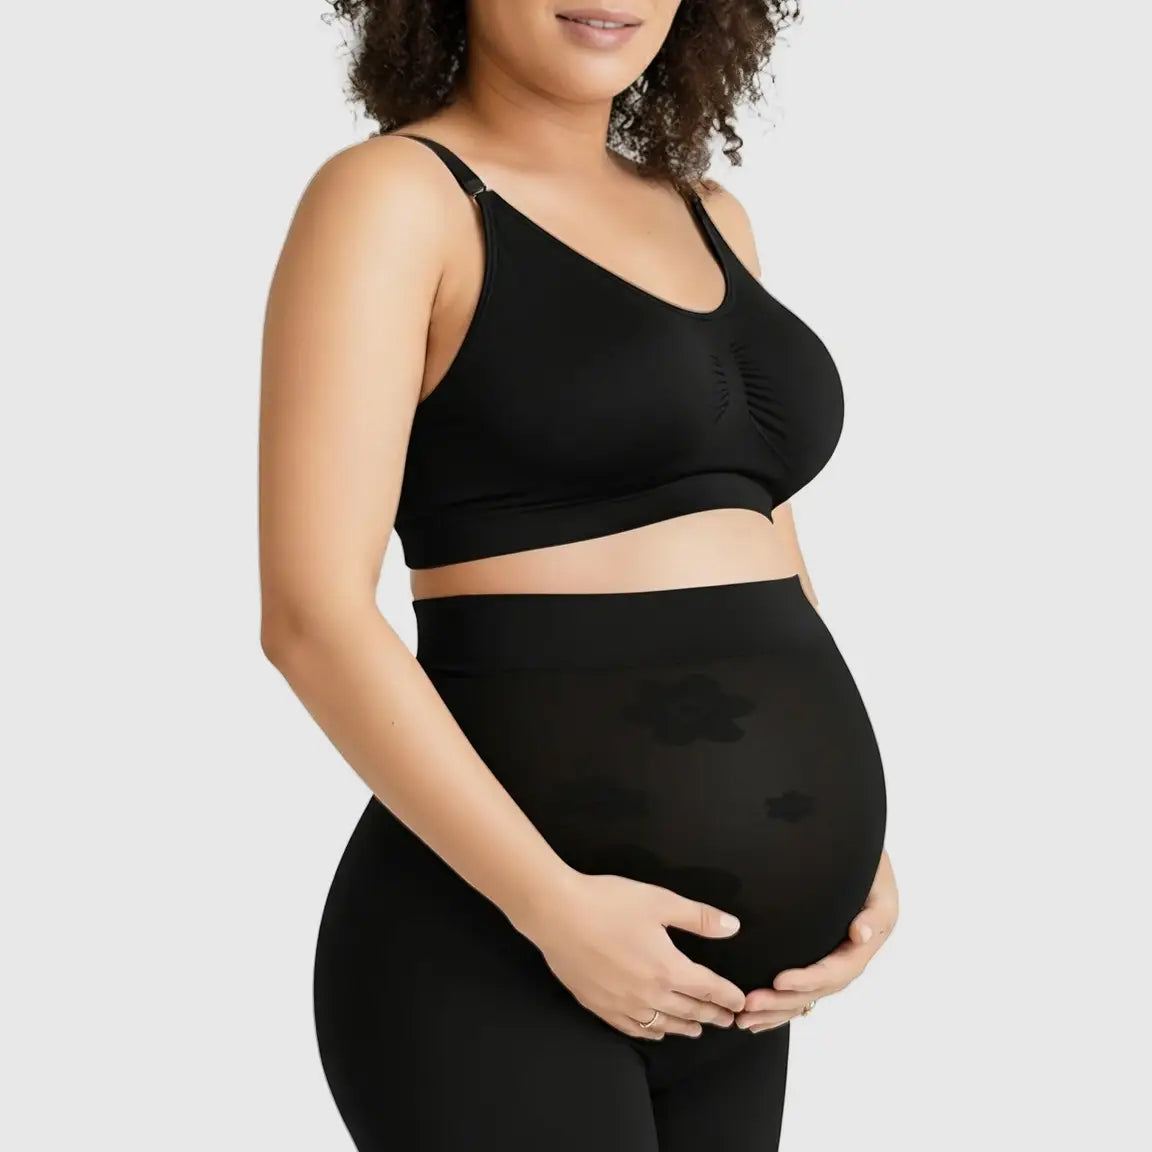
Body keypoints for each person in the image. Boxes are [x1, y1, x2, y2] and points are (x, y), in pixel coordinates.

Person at [259, 2, 899, 1148]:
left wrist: (847, 847)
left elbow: (762, 542)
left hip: (732, 990)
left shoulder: (712, 218)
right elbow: (312, 617)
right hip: (496, 953)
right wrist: (551, 907)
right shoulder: (398, 198)